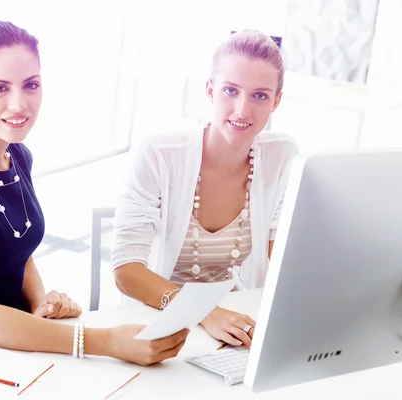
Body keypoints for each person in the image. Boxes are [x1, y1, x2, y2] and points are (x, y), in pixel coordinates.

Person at [0, 20, 188, 366]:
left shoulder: (16, 154)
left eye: (31, 85)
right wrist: (104, 342)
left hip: (15, 341)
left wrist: (43, 302)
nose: (19, 104)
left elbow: (17, 252)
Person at [111, 29, 298, 349]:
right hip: (160, 325)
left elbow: (279, 262)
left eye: (260, 95)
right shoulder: (160, 153)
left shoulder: (281, 156)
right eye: (230, 90)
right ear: (210, 90)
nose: (242, 110)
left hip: (237, 323)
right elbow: (126, 271)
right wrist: (205, 313)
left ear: (276, 101)